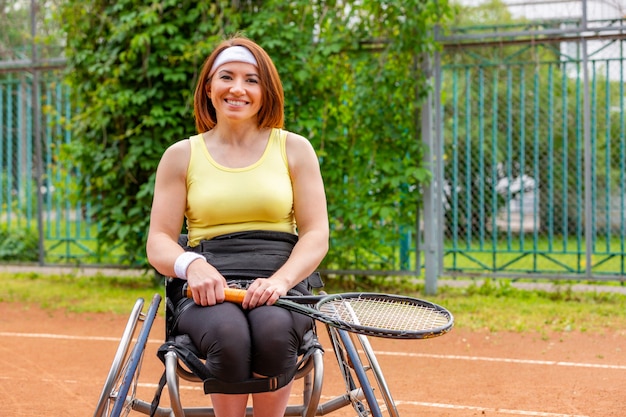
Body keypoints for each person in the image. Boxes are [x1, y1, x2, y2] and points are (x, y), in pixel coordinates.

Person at [146, 34, 329, 417]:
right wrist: (192, 266)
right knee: (228, 335)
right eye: (226, 76)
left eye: (251, 79)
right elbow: (159, 242)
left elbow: (315, 234)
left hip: (282, 281)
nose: (238, 89)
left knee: (274, 333)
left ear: (266, 91)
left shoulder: (294, 148)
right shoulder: (181, 156)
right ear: (208, 87)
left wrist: (280, 282)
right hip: (208, 286)